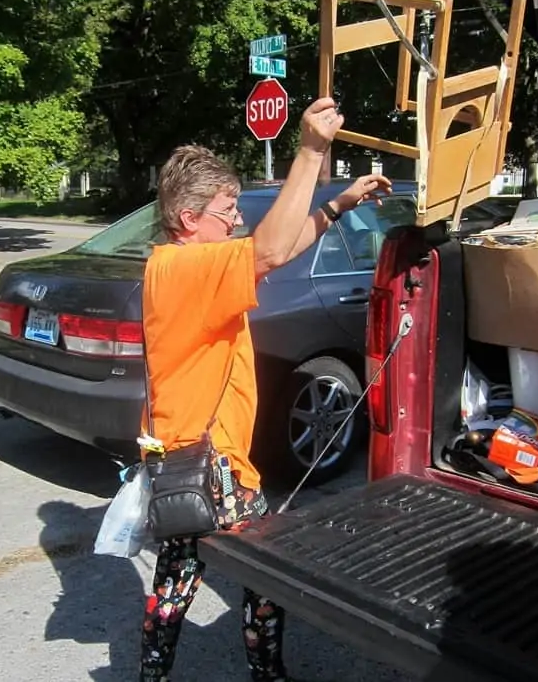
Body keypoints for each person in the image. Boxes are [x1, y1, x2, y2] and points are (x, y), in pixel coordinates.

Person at [139, 97, 392, 682]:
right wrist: (310, 150)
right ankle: (268, 672)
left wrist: (336, 205)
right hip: (214, 463)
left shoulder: (174, 265)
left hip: (181, 456)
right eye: (227, 210)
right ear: (187, 218)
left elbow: (278, 247)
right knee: (265, 570)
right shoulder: (185, 269)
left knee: (177, 576)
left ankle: (152, 675)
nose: (236, 221)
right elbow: (272, 250)